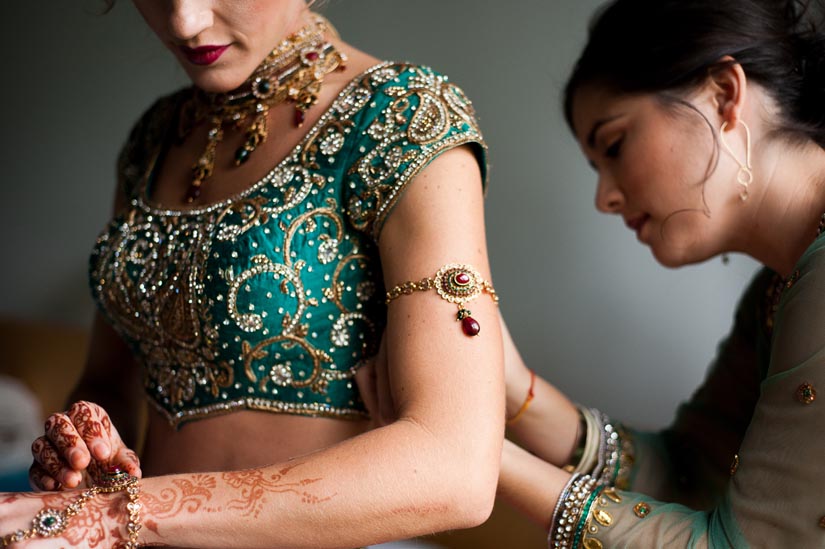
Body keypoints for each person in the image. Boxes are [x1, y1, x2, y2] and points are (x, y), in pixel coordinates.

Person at [0, 1, 504, 548]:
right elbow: (107, 382)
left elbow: (455, 469)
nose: (184, 23)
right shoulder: (155, 138)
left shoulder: (402, 117)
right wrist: (83, 449)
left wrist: (123, 514)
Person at [365, 0, 825, 547]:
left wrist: (471, 451)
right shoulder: (778, 289)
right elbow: (689, 475)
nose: (605, 197)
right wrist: (513, 388)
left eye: (615, 145)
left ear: (724, 94)